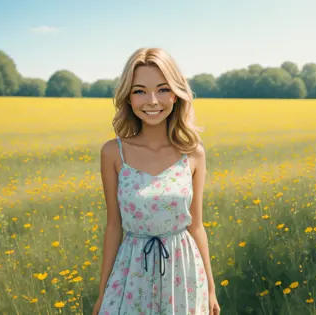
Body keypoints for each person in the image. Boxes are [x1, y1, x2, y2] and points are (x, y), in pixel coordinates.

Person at [92, 47, 220, 315]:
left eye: (163, 89)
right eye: (140, 91)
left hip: (183, 272)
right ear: (128, 97)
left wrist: (210, 288)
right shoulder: (113, 153)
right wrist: (103, 292)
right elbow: (114, 227)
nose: (152, 100)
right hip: (131, 272)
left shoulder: (193, 153)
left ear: (176, 93)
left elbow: (196, 226)